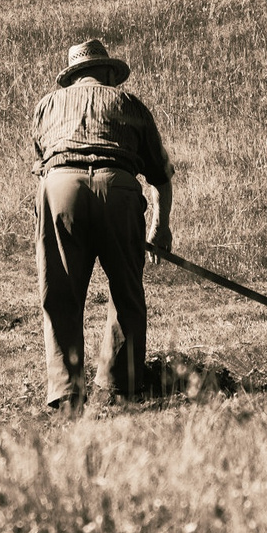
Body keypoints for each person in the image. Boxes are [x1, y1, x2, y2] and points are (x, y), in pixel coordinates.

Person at [31, 39, 173, 412]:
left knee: (60, 293)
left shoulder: (47, 105)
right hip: (118, 187)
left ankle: (65, 391)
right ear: (110, 73)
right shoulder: (128, 103)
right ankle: (120, 385)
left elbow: (42, 161)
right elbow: (160, 175)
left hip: (61, 188)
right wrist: (160, 226)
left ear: (73, 76)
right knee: (126, 290)